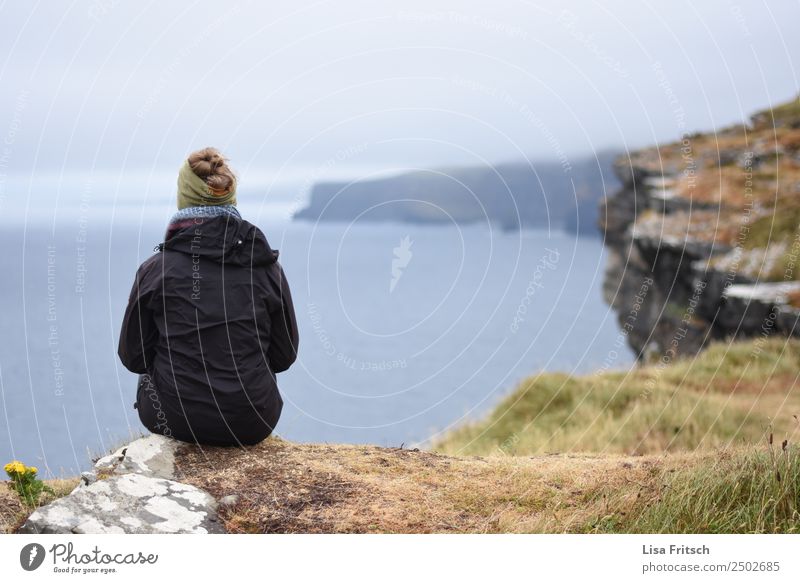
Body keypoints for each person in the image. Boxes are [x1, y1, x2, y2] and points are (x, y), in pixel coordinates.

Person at [118, 147, 299, 446]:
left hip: (173, 418)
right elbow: (284, 356)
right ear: (230, 196)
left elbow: (134, 357)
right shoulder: (267, 267)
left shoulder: (155, 271)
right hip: (252, 420)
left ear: (183, 197)